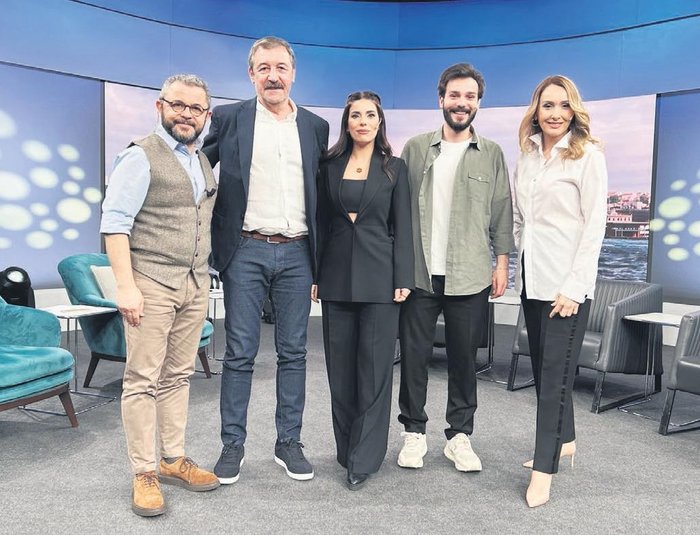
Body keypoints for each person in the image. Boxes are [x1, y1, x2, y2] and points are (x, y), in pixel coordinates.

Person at [202, 36, 329, 484]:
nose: (273, 76)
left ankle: (288, 442)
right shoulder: (228, 118)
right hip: (245, 250)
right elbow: (197, 165)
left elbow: (322, 191)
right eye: (264, 68)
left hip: (298, 252)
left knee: (293, 353)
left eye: (280, 68)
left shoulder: (315, 127)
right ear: (251, 74)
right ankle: (232, 445)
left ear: (293, 73)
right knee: (239, 353)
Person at [101, 74, 220, 517]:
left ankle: (172, 459)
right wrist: (126, 287)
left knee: (178, 376)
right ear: (160, 106)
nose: (186, 115)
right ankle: (144, 472)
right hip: (150, 282)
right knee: (142, 379)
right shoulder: (140, 156)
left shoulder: (200, 159)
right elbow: (115, 225)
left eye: (196, 109)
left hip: (194, 283)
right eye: (178, 105)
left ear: (206, 115)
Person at [397, 63, 514, 473]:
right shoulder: (415, 148)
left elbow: (501, 212)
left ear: (478, 103)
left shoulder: (492, 154)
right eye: (454, 95)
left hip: (470, 273)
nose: (461, 103)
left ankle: (459, 436)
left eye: (469, 97)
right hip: (420, 273)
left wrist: (502, 263)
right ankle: (413, 431)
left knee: (464, 360)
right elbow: (398, 211)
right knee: (414, 357)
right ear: (441, 99)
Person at [512, 75, 607, 508]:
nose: (555, 113)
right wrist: (517, 261)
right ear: (536, 110)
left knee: (553, 381)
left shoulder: (588, 156)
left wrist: (574, 287)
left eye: (564, 105)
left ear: (574, 111)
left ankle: (544, 471)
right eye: (548, 105)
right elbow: (521, 218)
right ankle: (564, 440)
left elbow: (595, 227)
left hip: (566, 287)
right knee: (545, 371)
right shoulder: (527, 155)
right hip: (533, 281)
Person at [312, 91, 414, 490]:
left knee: (374, 374)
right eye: (356, 115)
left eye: (370, 115)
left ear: (379, 122)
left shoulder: (395, 168)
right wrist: (315, 274)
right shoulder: (328, 167)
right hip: (336, 278)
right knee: (341, 374)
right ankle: (346, 451)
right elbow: (320, 223)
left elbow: (403, 226)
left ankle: (364, 459)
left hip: (381, 281)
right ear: (347, 122)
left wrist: (403, 277)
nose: (363, 122)